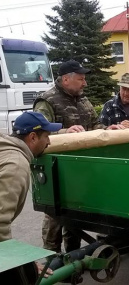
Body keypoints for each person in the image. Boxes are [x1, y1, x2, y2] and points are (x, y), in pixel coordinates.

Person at [33, 59, 105, 253]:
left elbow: (95, 124)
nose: (85, 83)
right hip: (55, 167)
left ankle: (73, 255)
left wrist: (108, 129)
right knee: (54, 215)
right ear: (66, 79)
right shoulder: (47, 100)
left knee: (75, 211)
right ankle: (51, 259)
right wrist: (65, 132)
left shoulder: (82, 98)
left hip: (79, 166)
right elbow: (38, 133)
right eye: (81, 79)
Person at [0, 112, 61, 277]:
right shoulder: (16, 165)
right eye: (46, 136)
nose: (49, 141)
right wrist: (22, 262)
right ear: (33, 137)